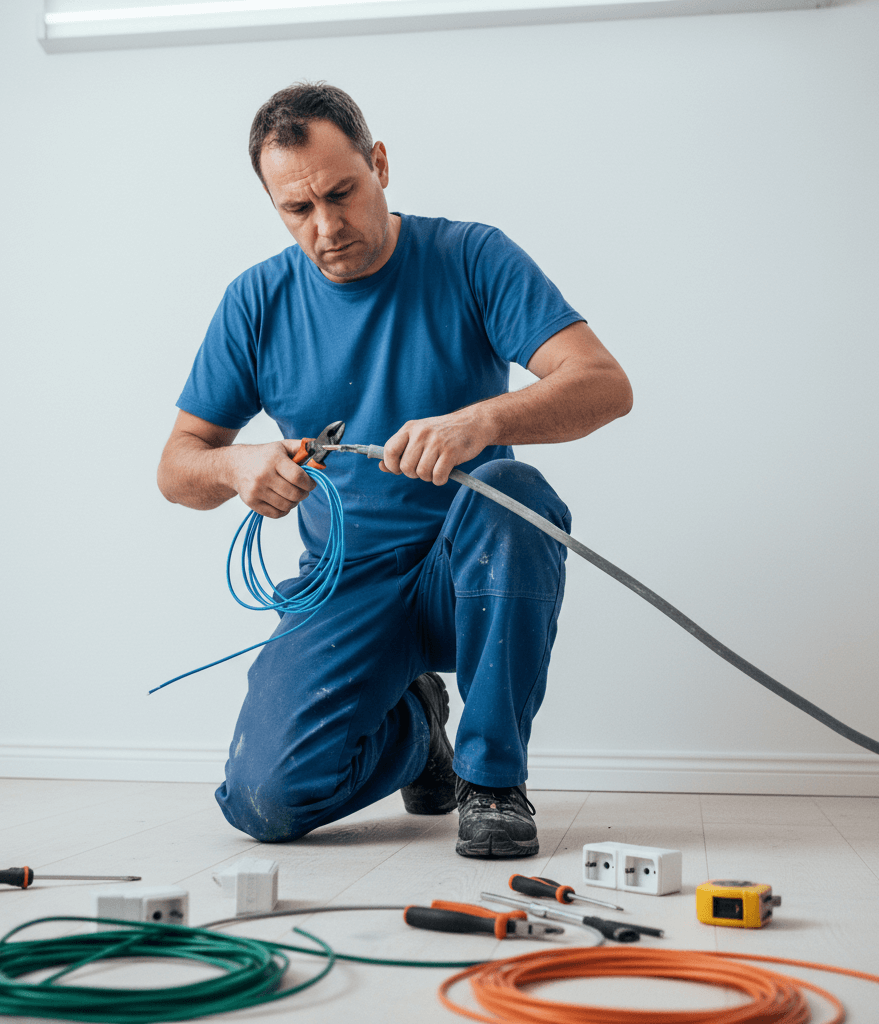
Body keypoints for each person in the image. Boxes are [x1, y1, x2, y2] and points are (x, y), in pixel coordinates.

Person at [158, 82, 632, 858]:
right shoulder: (256, 302)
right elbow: (177, 467)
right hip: (345, 582)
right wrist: (235, 465)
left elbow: (605, 386)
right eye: (297, 210)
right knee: (263, 804)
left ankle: (492, 782)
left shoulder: (472, 257)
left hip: (468, 568)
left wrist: (483, 421)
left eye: (342, 193)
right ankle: (417, 729)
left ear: (378, 163)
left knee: (515, 495)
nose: (327, 227)